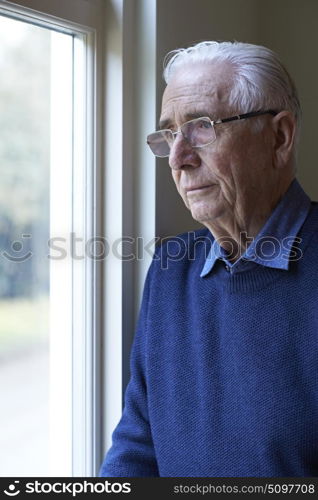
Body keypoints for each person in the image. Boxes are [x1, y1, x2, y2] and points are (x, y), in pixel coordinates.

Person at [100, 41, 318, 477]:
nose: (179, 158)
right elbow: (138, 441)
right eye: (169, 135)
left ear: (280, 136)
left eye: (201, 127)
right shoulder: (170, 269)